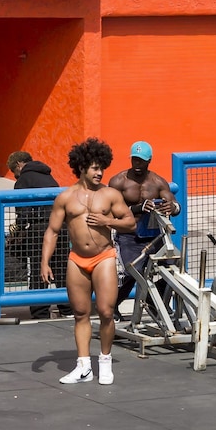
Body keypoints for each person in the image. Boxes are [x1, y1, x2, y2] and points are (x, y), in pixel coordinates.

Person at [41, 138, 136, 385]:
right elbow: (52, 231)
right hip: (76, 259)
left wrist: (108, 222)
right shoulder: (65, 197)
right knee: (80, 313)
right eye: (94, 167)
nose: (100, 172)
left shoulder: (110, 194)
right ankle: (83, 366)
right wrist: (44, 262)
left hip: (104, 257)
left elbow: (130, 222)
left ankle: (105, 362)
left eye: (101, 167)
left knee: (105, 311)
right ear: (82, 167)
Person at [108, 141, 179, 308]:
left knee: (175, 269)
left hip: (153, 236)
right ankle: (111, 307)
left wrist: (173, 207)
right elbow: (111, 210)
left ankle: (155, 301)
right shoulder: (119, 181)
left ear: (149, 160)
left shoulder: (158, 182)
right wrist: (138, 208)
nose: (137, 164)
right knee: (133, 271)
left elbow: (174, 204)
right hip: (129, 235)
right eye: (135, 159)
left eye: (141, 160)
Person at [4, 150, 62, 318]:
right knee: (61, 268)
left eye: (14, 174)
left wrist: (16, 232)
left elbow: (23, 212)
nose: (16, 178)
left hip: (40, 228)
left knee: (39, 268)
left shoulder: (24, 179)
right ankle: (67, 308)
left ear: (18, 166)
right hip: (61, 225)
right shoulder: (48, 176)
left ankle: (40, 311)